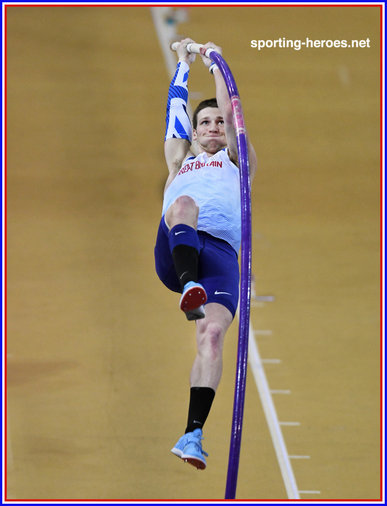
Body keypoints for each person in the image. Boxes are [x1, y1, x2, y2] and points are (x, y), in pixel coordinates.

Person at [154, 39, 257, 470]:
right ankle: (188, 282)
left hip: (220, 257)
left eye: (219, 121)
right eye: (206, 122)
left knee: (212, 337)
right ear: (195, 133)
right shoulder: (180, 161)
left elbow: (235, 118)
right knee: (185, 206)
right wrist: (184, 62)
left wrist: (218, 63)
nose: (215, 126)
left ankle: (193, 434)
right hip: (177, 247)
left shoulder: (239, 161)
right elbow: (176, 110)